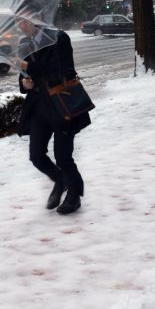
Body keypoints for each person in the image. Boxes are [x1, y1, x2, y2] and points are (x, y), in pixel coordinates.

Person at [16, 16, 90, 215]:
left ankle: (74, 196)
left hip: (62, 103)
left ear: (34, 19)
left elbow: (60, 70)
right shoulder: (24, 43)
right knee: (36, 155)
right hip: (39, 106)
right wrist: (25, 83)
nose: (21, 26)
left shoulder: (59, 37)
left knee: (63, 156)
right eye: (18, 22)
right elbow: (24, 77)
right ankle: (60, 180)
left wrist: (27, 67)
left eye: (23, 21)